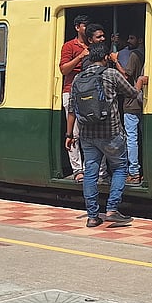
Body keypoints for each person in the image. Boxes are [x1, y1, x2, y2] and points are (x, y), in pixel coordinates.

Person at [64, 42, 148, 228]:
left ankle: (93, 216)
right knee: (119, 168)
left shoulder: (78, 78)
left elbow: (72, 109)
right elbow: (132, 93)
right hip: (110, 133)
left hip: (86, 134)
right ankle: (112, 210)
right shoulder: (111, 74)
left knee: (90, 173)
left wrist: (69, 134)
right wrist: (140, 82)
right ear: (105, 58)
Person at [59, 15, 92, 182]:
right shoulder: (68, 46)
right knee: (74, 133)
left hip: (90, 92)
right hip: (71, 91)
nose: (87, 29)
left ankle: (92, 169)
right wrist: (80, 57)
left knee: (90, 132)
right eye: (85, 26)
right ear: (77, 27)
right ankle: (77, 169)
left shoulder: (94, 45)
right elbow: (64, 70)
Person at [122, 34, 146, 185]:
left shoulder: (134, 55)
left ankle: (134, 172)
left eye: (131, 38)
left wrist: (115, 60)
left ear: (139, 40)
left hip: (132, 102)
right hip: (143, 102)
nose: (129, 41)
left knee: (131, 138)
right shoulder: (147, 55)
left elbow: (126, 75)